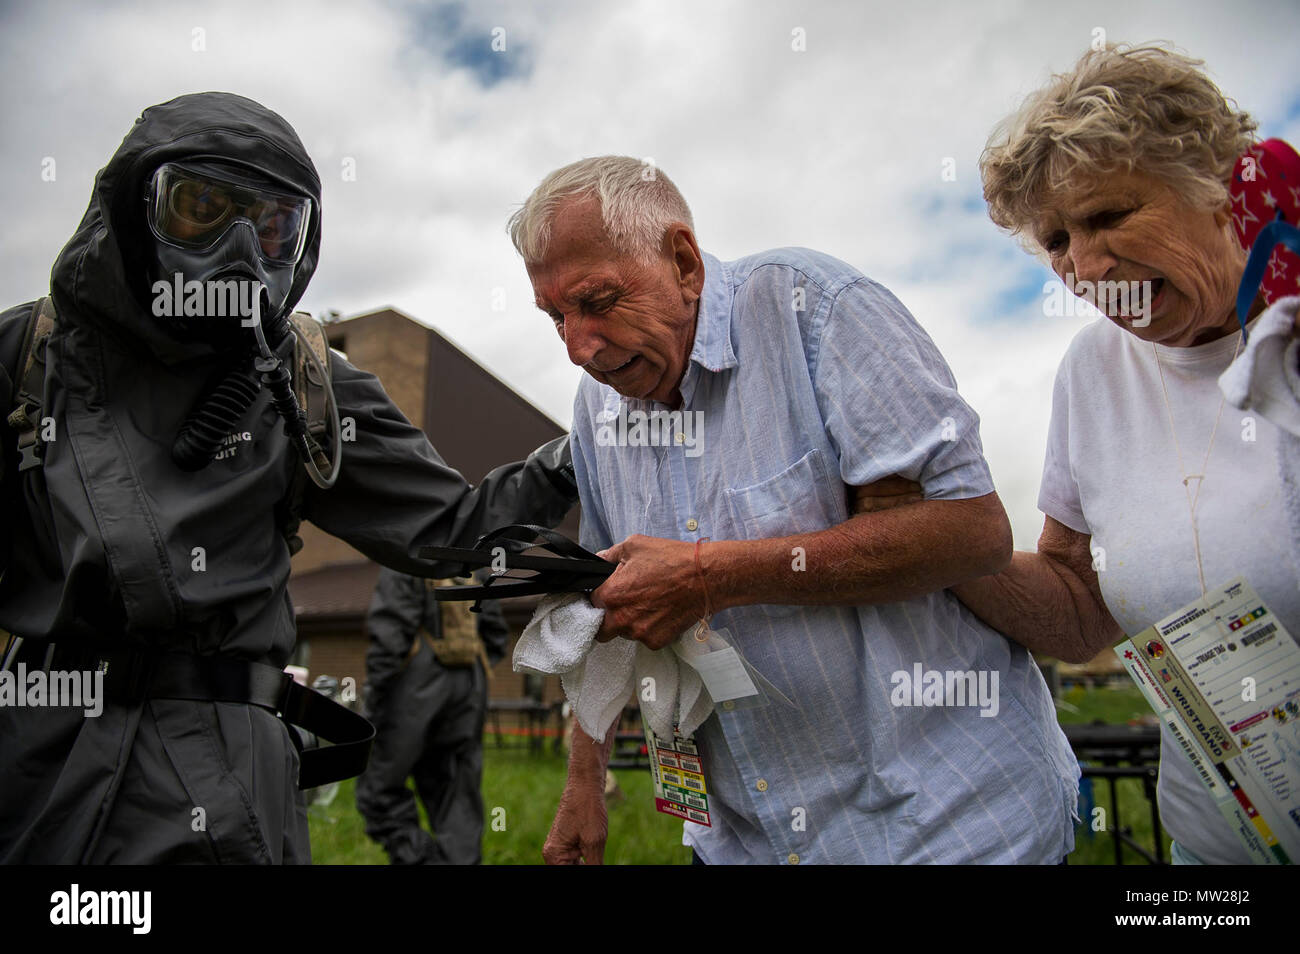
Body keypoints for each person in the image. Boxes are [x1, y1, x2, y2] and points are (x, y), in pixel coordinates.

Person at [0, 92, 577, 864]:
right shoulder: (30, 358)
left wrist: (588, 450)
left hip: (227, 787)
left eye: (273, 225)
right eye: (201, 206)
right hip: (44, 770)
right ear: (137, 205)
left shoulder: (304, 384)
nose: (240, 250)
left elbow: (453, 531)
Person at [508, 156, 1079, 865]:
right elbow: (605, 614)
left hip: (938, 827)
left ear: (683, 261)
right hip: (744, 842)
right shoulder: (598, 408)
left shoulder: (817, 310)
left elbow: (975, 534)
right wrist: (583, 778)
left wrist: (708, 575)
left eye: (597, 301)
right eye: (555, 316)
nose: (577, 346)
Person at [951, 44, 1300, 864]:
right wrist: (936, 536)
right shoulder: (1092, 372)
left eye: (1108, 216)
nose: (1085, 267)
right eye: (1057, 241)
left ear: (1213, 186)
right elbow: (1077, 607)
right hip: (1214, 853)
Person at [355, 570, 507, 865]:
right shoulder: (474, 562)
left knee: (379, 792)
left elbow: (390, 639)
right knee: (457, 794)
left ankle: (422, 860)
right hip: (470, 688)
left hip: (412, 687)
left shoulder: (403, 555)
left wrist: (373, 702)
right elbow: (496, 635)